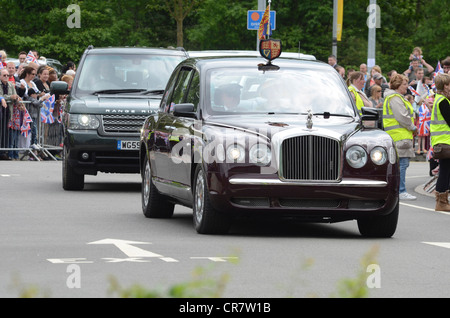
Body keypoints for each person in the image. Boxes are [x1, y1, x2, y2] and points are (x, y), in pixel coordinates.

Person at [382, 74, 417, 200]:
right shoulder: (395, 98)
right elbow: (402, 116)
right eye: (404, 84)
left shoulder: (394, 97)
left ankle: (399, 190)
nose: (406, 86)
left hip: (398, 135)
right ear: (397, 85)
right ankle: (401, 191)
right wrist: (413, 127)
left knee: (401, 164)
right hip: (400, 136)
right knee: (402, 164)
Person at [430, 73, 450, 211]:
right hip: (445, 142)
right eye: (449, 84)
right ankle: (441, 202)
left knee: (445, 171)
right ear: (444, 86)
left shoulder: (439, 99)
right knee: (445, 172)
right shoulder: (443, 101)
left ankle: (442, 201)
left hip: (441, 142)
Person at [0, 68, 21, 160]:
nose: (6, 77)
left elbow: (14, 95)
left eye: (7, 75)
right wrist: (10, 97)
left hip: (9, 111)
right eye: (4, 75)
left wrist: (17, 99)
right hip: (1, 110)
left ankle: (4, 152)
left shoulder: (10, 85)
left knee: (6, 132)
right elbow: (1, 95)